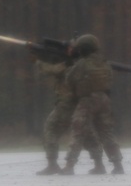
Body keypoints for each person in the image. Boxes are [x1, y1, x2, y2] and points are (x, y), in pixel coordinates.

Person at [61, 34, 124, 175]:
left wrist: (71, 61)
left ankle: (69, 165)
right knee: (106, 133)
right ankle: (118, 165)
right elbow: (109, 80)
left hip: (87, 100)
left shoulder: (82, 64)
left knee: (78, 131)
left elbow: (69, 79)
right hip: (104, 99)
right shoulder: (104, 62)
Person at [33, 39, 91, 175]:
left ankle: (52, 164)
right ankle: (100, 163)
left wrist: (39, 62)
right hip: (78, 103)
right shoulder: (83, 64)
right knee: (87, 134)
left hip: (66, 103)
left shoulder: (70, 65)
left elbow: (52, 69)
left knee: (50, 129)